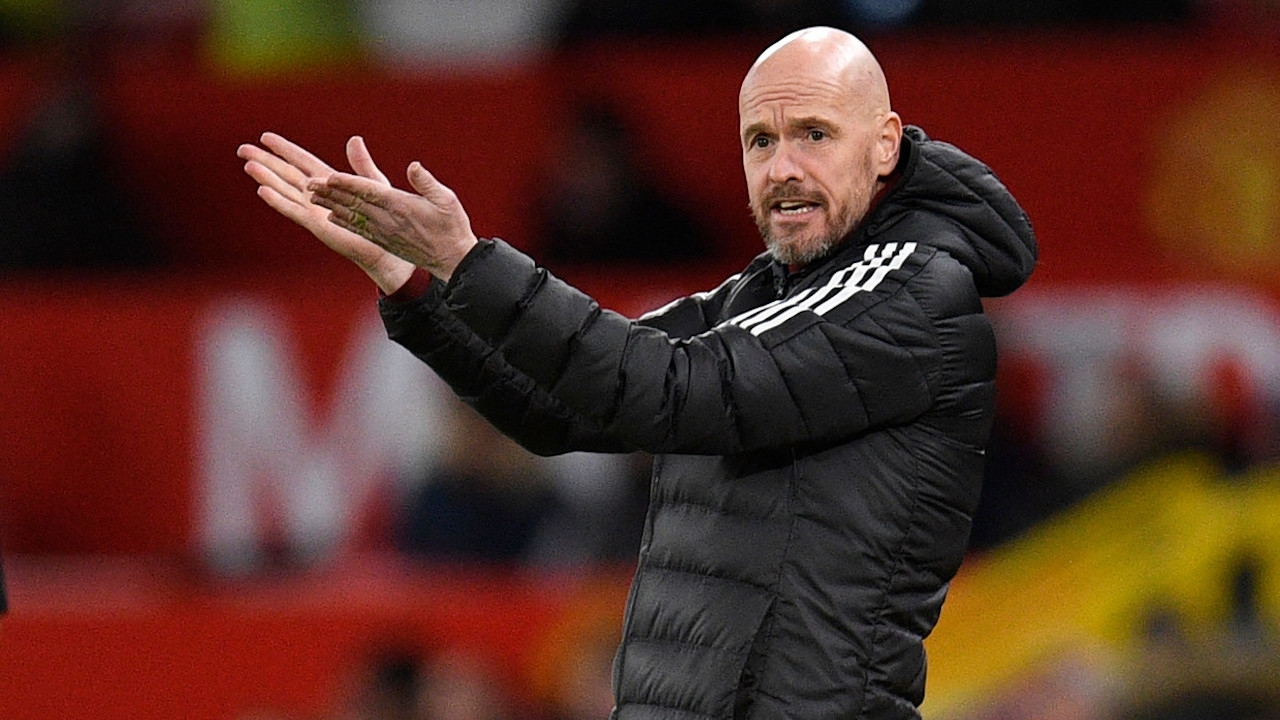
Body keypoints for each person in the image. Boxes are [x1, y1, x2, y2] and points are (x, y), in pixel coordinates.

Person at [238, 26, 1036, 720]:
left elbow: (671, 386)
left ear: (886, 143)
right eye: (761, 141)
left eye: (814, 135)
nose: (783, 168)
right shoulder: (763, 295)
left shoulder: (908, 289)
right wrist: (414, 286)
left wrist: (467, 260)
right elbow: (563, 408)